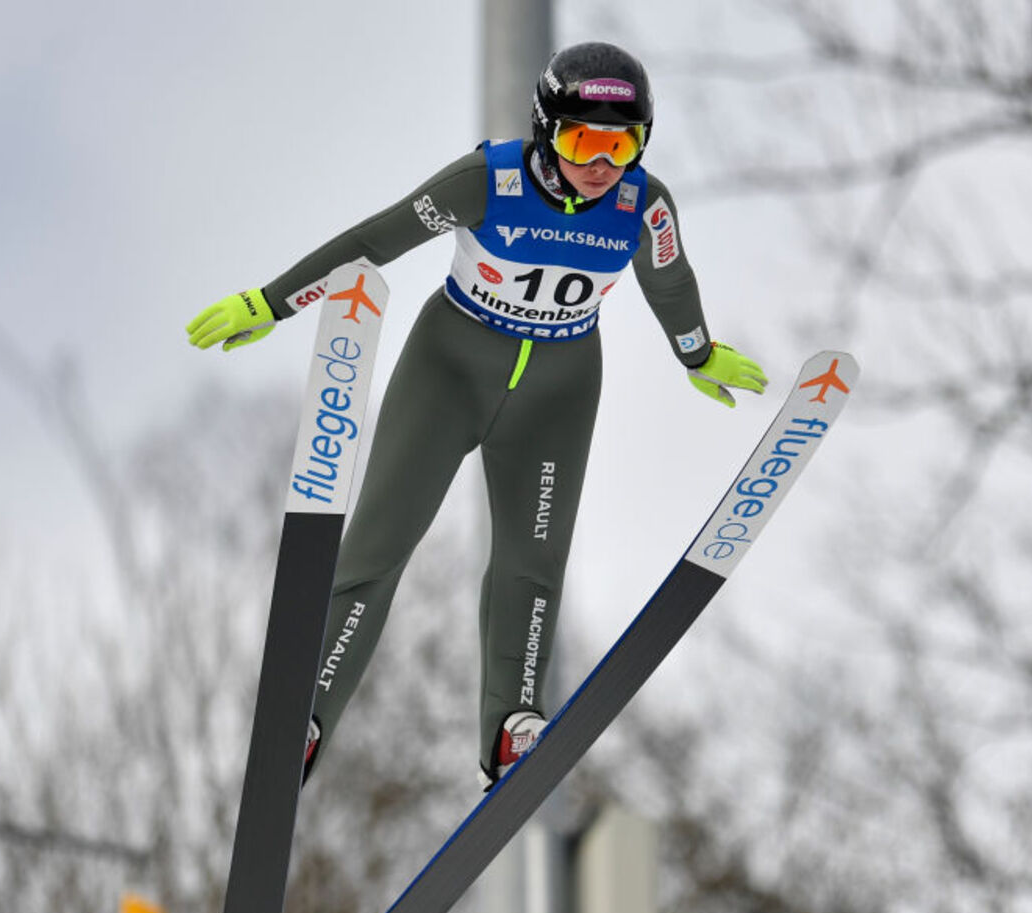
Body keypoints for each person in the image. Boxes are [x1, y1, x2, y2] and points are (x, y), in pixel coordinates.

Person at [187, 42, 767, 789]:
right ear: (543, 130)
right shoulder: (486, 181)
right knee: (379, 544)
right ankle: (308, 711)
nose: (601, 162)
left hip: (558, 391)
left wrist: (695, 352)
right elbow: (375, 239)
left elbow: (669, 276)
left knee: (534, 560)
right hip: (450, 370)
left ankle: (511, 725)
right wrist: (272, 301)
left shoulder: (643, 205)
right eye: (581, 138)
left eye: (621, 143)